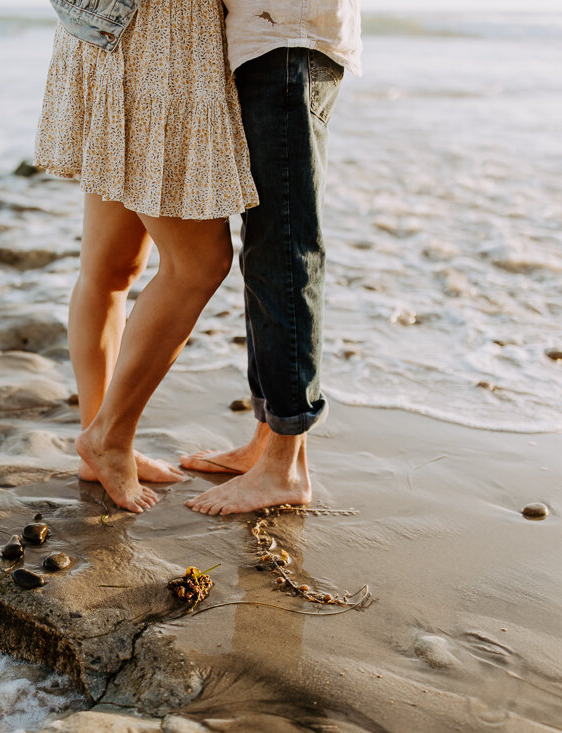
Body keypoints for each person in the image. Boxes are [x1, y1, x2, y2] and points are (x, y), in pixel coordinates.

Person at [35, 0, 259, 513]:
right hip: (160, 41)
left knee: (111, 269)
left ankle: (99, 440)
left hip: (111, 34)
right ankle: (108, 439)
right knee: (197, 265)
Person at [183, 1, 363, 516]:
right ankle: (266, 440)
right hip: (272, 41)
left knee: (285, 246)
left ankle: (285, 466)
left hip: (288, 41)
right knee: (267, 246)